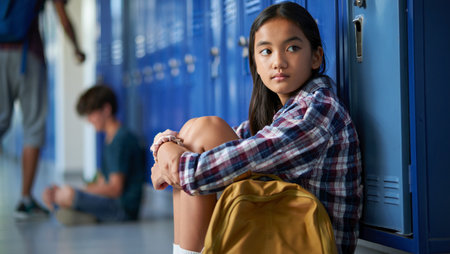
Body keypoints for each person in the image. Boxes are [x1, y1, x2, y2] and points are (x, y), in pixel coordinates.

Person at [150, 2, 363, 254]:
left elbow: (227, 161)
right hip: (285, 236)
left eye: (292, 48)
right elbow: (240, 142)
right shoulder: (286, 111)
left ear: (316, 56)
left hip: (311, 244)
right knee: (197, 130)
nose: (278, 62)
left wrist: (170, 158)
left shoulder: (318, 110)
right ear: (254, 60)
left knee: (207, 130)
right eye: (266, 51)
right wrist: (169, 148)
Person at [0, 0, 86, 220]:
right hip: (27, 55)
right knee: (33, 126)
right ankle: (25, 200)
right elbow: (63, 17)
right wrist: (76, 48)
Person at [42, 84, 146, 225]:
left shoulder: (121, 139)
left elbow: (115, 188)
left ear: (106, 109)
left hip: (122, 209)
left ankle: (70, 205)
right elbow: (103, 181)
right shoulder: (110, 137)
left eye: (91, 114)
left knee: (68, 195)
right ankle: (76, 210)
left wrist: (75, 192)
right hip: (113, 204)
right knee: (65, 204)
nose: (89, 120)